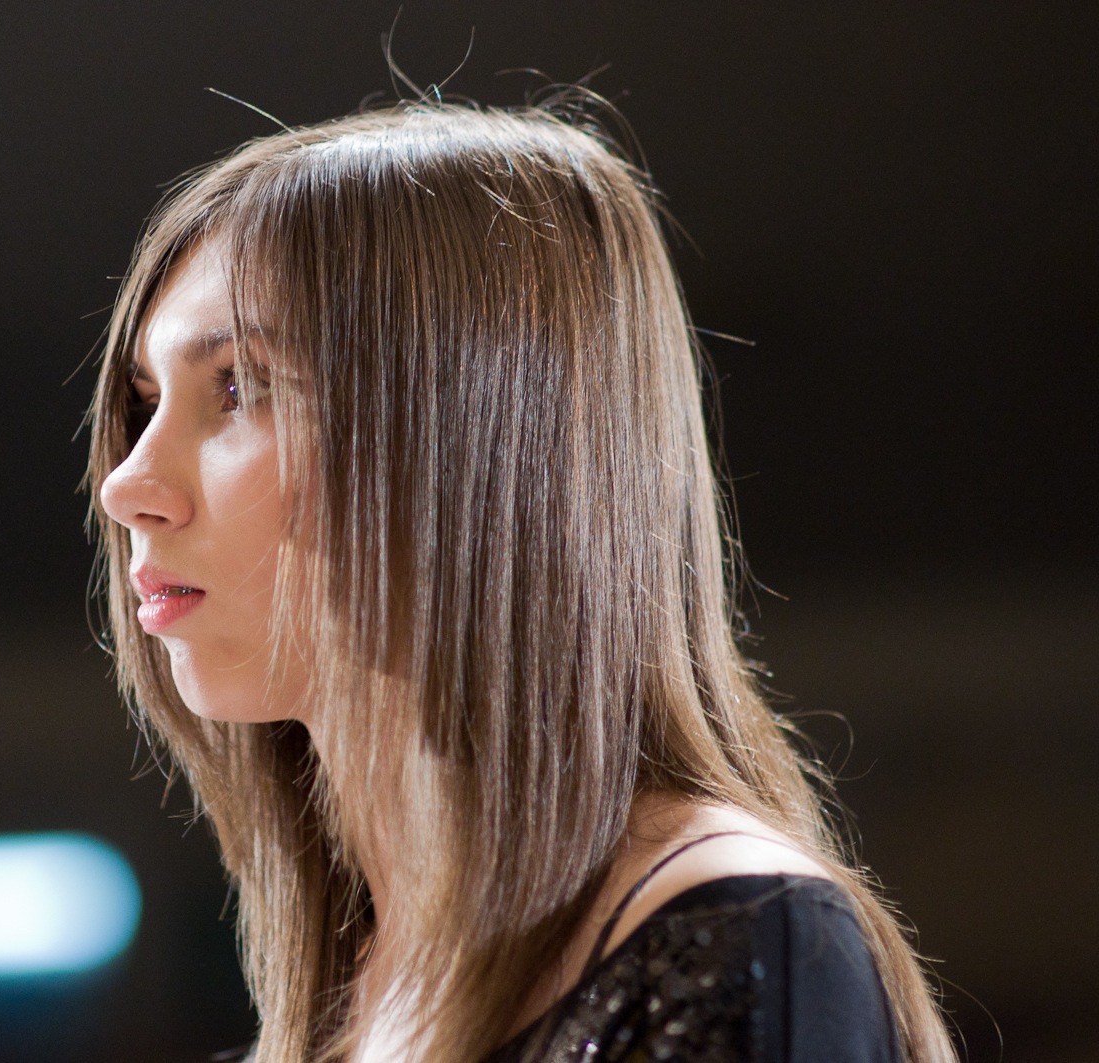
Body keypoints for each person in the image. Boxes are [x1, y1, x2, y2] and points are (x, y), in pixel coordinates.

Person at [86, 101, 956, 1063]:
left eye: (240, 385)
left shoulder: (734, 942)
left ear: (476, 429)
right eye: (146, 402)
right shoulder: (330, 1009)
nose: (127, 484)